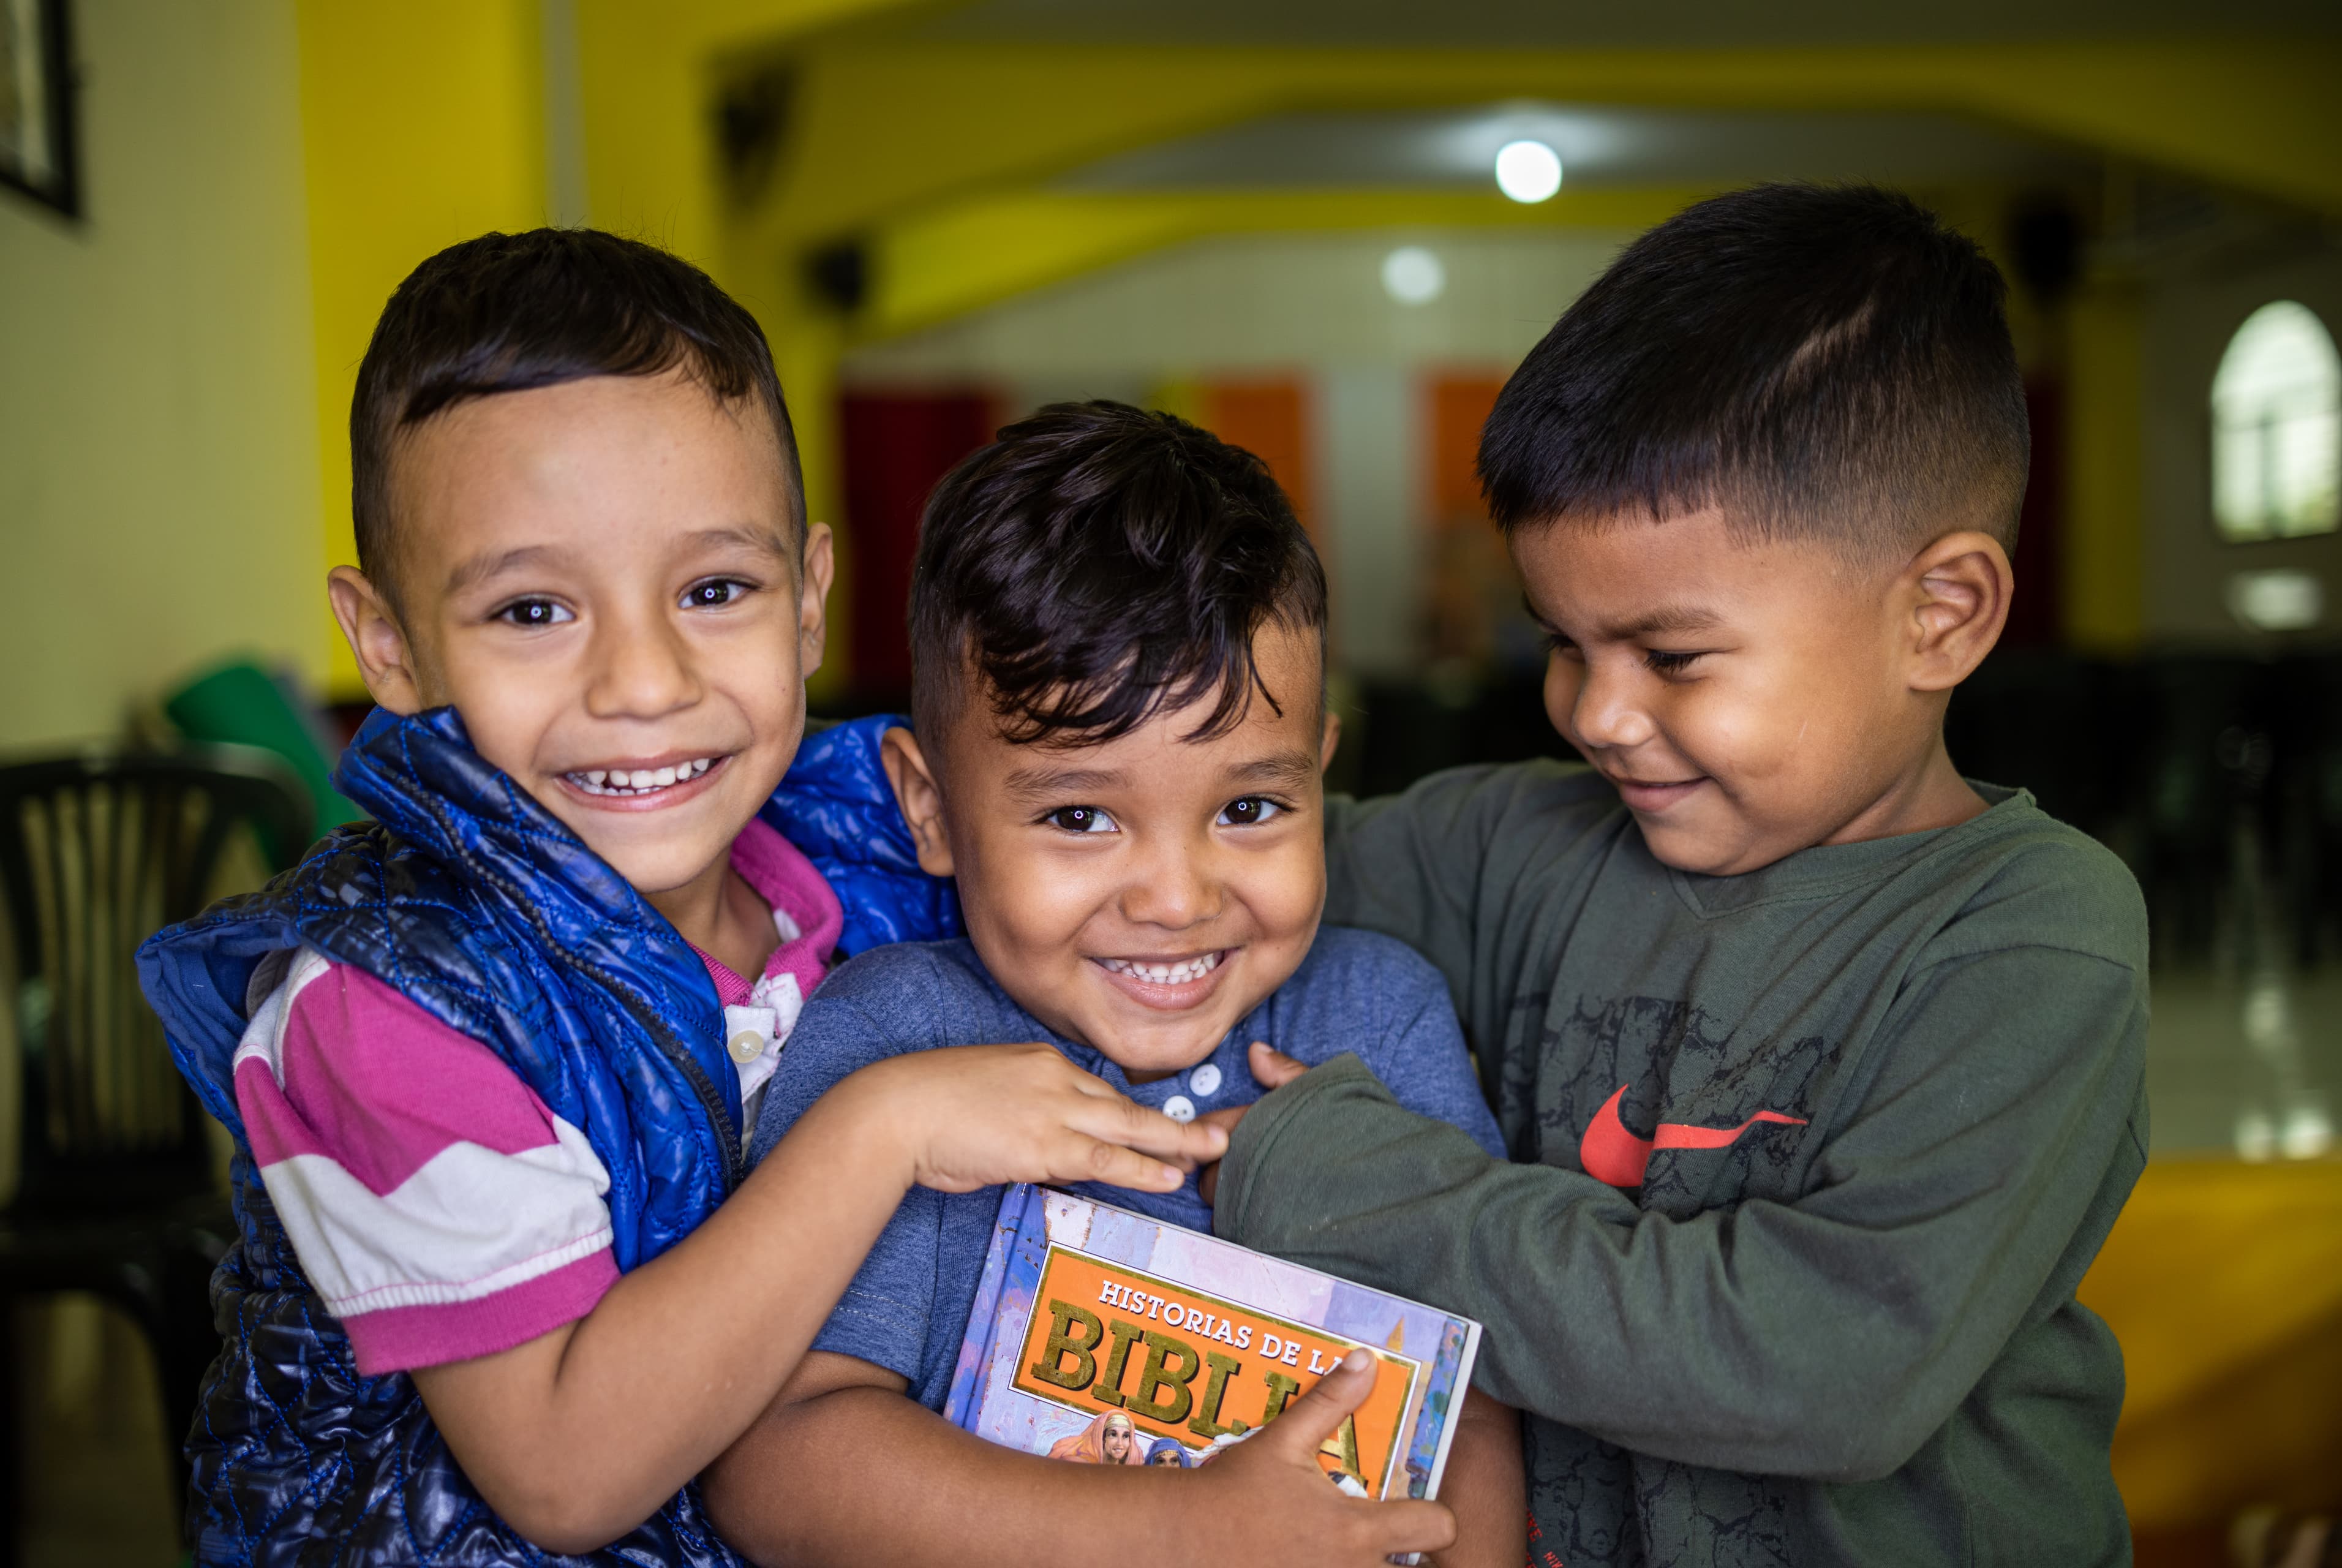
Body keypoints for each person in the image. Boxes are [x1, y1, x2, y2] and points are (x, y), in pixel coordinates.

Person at [135, 230, 1229, 1567]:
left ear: (811, 602)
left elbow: (1172, 825)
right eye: (534, 610)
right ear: (392, 646)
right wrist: (881, 1124)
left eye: (715, 589)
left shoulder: (872, 847)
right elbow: (562, 1471)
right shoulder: (380, 1011)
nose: (644, 682)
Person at [1200, 183, 2153, 1567]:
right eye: (1565, 644)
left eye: (1674, 655)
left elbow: (1823, 1365)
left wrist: (1349, 1184)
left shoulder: (2028, 936)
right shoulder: (1521, 845)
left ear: (1940, 615)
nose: (1595, 711)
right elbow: (1197, 870)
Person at [702, 402, 1523, 1567]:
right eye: (1081, 817)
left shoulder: (1377, 1013)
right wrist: (1181, 1530)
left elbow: (1467, 1406)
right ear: (930, 807)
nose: (1179, 899)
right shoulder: (896, 1039)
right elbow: (776, 1469)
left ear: (1320, 778)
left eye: (1249, 809)